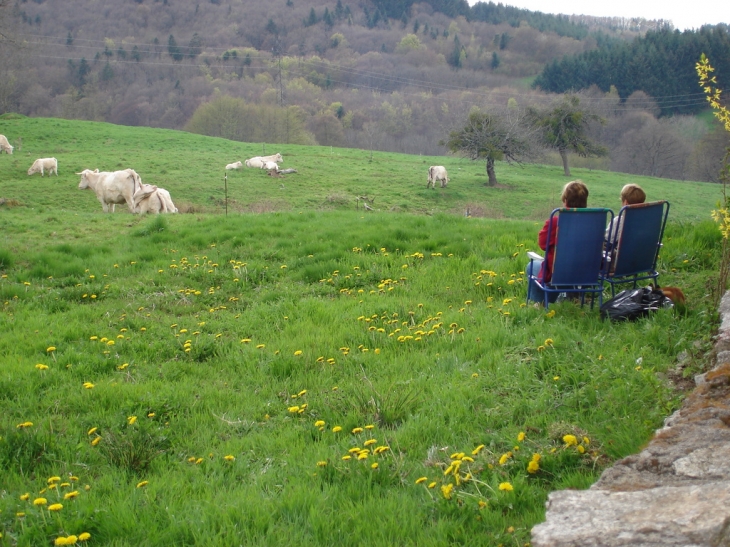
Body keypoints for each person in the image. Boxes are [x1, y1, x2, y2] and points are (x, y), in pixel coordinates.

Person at [527, 180, 589, 304]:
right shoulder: (593, 222)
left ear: (565, 201)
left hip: (559, 273)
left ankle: (541, 303)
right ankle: (572, 296)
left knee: (532, 266)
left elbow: (542, 244)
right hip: (585, 273)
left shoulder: (556, 222)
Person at [605, 184, 646, 271]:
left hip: (617, 265)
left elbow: (607, 241)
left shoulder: (619, 221)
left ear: (625, 203)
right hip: (639, 262)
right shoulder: (646, 222)